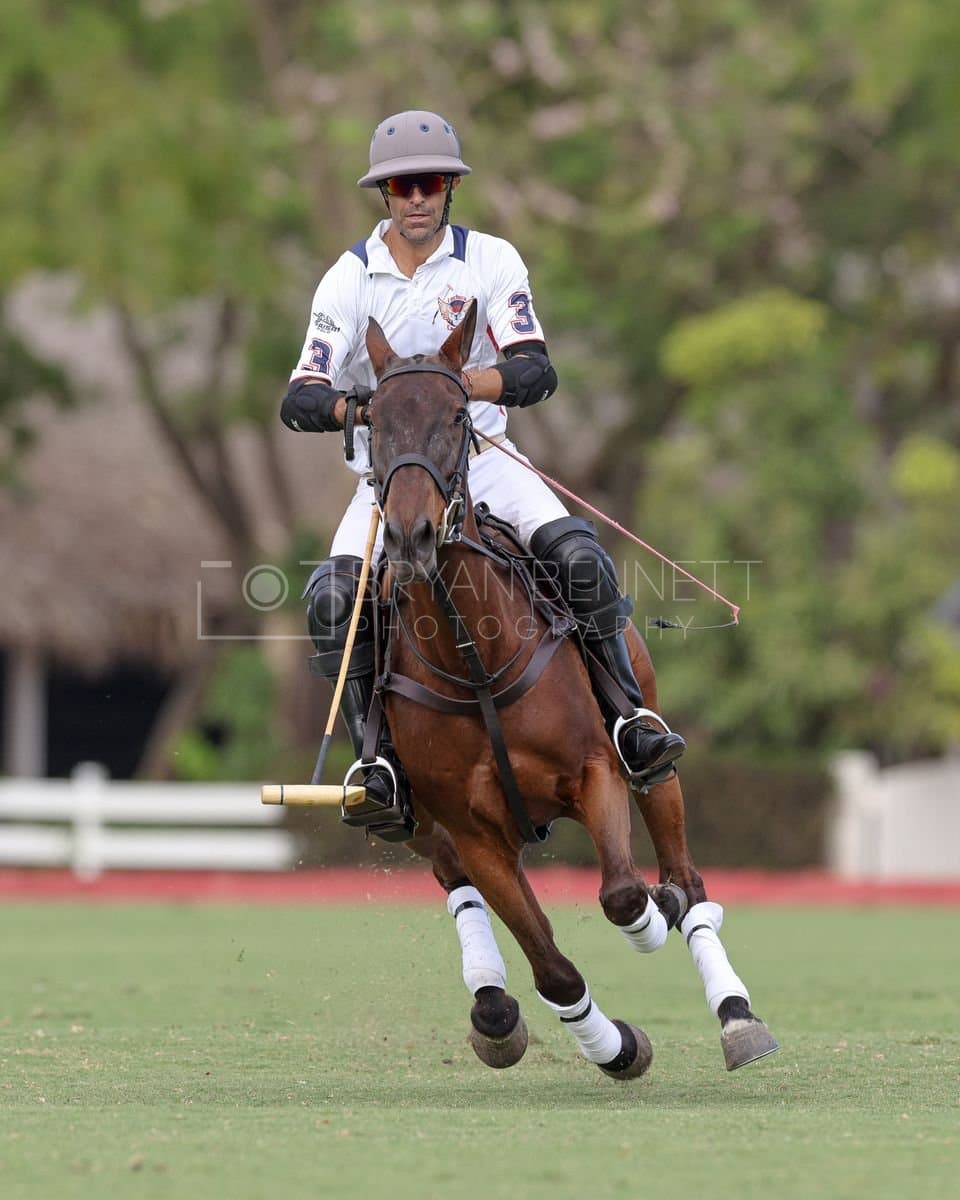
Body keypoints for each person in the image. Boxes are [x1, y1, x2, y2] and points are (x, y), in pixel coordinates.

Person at [281, 109, 685, 840]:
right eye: (401, 186)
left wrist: (458, 388)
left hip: (486, 460)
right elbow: (301, 396)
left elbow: (535, 369)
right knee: (332, 603)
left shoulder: (490, 261)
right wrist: (369, 406)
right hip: (391, 478)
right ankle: (377, 761)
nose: (416, 198)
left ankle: (630, 720)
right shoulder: (349, 278)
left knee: (580, 558)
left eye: (430, 183)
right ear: (383, 193)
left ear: (451, 188)